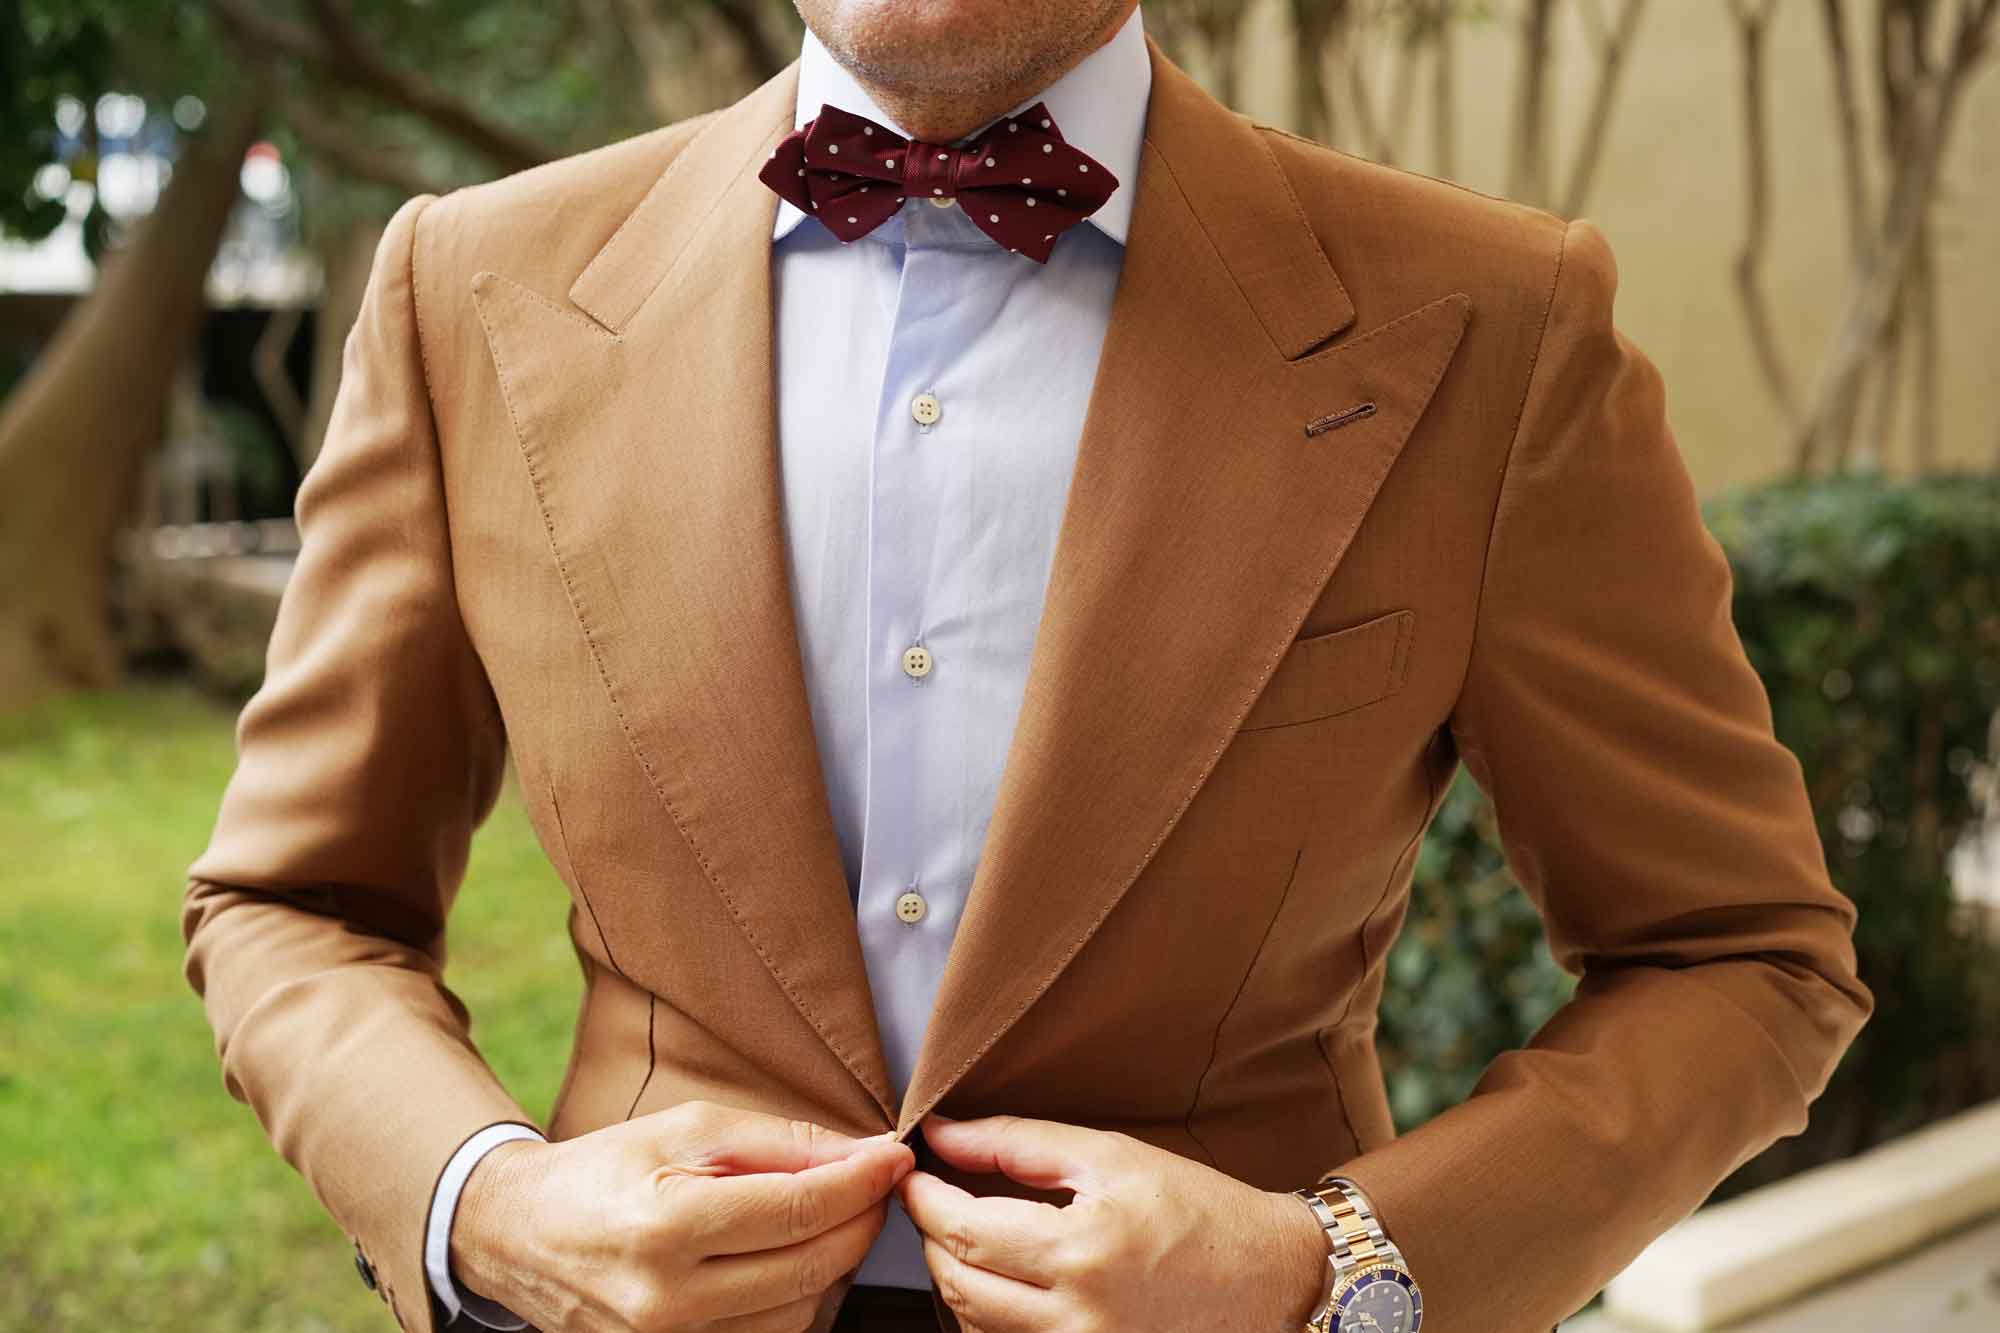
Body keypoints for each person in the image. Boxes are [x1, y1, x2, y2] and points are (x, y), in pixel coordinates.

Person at [181, 0, 1875, 1330]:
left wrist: (1325, 1268)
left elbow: (1742, 957)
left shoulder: (1495, 326)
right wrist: (487, 1205)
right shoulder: (470, 289)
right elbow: (291, 904)